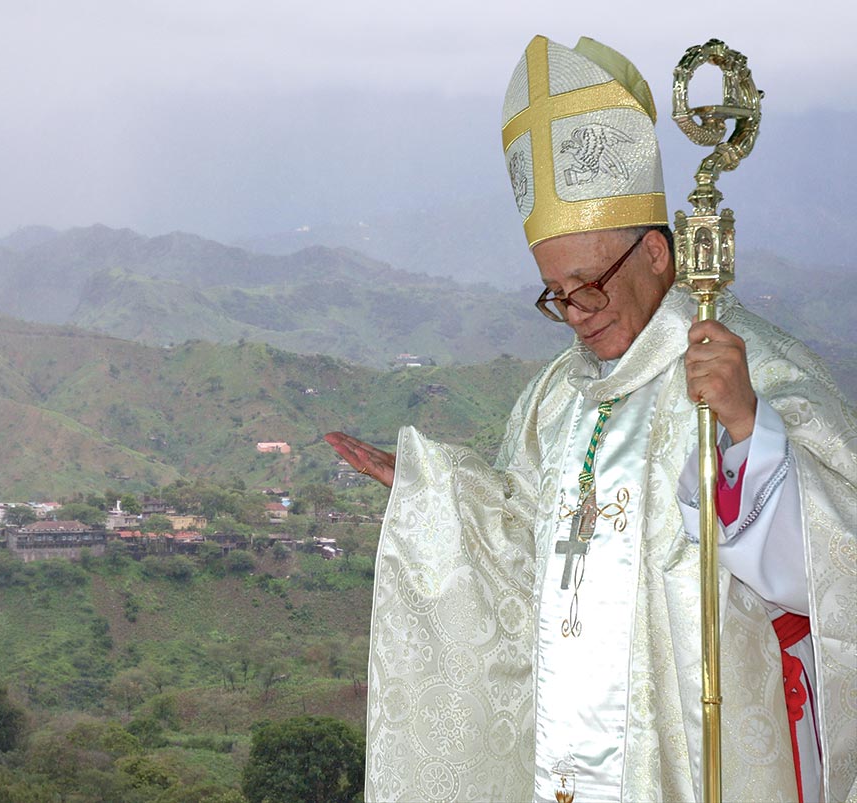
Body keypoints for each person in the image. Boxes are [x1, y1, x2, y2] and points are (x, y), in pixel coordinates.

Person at [327, 35, 855, 803]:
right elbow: (527, 554)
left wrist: (750, 430)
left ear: (656, 255)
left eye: (589, 286)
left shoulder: (754, 371)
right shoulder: (557, 398)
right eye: (555, 295)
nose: (575, 314)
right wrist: (437, 498)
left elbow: (832, 567)